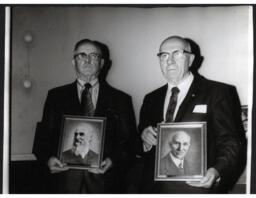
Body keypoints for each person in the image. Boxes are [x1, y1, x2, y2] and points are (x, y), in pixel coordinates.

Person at [139, 35, 244, 193]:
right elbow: (135, 143)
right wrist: (144, 139)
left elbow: (230, 142)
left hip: (196, 188)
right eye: (164, 55)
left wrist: (217, 170)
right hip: (153, 188)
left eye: (177, 53)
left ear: (191, 59)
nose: (170, 61)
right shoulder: (151, 98)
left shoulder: (217, 92)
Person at [34, 39, 138, 193]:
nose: (88, 60)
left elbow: (129, 143)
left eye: (94, 56)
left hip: (105, 185)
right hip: (64, 183)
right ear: (73, 62)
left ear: (102, 63)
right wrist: (48, 159)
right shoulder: (55, 96)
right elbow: (42, 139)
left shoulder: (121, 99)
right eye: (81, 55)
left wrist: (113, 161)